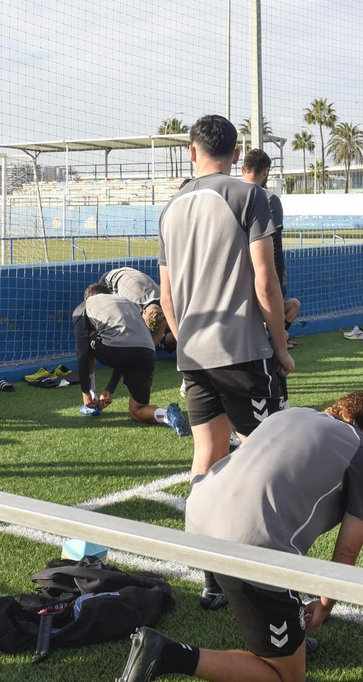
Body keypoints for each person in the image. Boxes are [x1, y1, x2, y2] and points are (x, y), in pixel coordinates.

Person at [116, 392, 363, 682]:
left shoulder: (293, 414)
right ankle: (169, 654)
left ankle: (284, 634)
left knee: (272, 576)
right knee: (286, 678)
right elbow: (347, 552)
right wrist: (325, 606)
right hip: (250, 542)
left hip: (199, 511)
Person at [158, 115, 290, 610]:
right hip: (242, 352)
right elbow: (265, 281)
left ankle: (210, 576)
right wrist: (279, 346)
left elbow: (166, 296)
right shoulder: (250, 196)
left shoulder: (170, 209)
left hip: (193, 356)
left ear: (191, 152)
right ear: (236, 154)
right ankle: (268, 588)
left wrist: (185, 340)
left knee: (206, 459)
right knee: (268, 465)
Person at [73, 281, 186, 433]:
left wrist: (85, 390)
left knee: (87, 338)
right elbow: (126, 347)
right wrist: (109, 390)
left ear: (87, 298)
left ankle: (91, 401)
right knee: (137, 410)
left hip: (117, 349)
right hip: (147, 352)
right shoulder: (126, 303)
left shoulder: (84, 307)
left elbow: (83, 353)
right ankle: (167, 415)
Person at [240, 148, 301, 343]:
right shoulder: (269, 199)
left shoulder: (231, 196)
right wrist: (279, 271)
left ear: (242, 169)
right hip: (263, 272)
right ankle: (277, 341)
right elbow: (274, 241)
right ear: (266, 171)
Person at [102, 265, 172, 350]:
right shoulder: (131, 303)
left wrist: (147, 351)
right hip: (109, 281)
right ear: (144, 312)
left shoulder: (163, 305)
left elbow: (159, 334)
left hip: (131, 277)